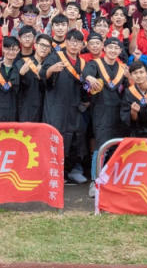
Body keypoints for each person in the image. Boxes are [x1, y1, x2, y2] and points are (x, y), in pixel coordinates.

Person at [42, 29, 88, 184]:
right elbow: (43, 76)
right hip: (56, 105)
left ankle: (69, 171)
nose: (74, 45)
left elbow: (84, 86)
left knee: (74, 137)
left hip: (74, 106)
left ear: (82, 45)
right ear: (66, 42)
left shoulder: (82, 62)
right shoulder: (55, 57)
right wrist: (50, 70)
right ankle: (52, 172)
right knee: (56, 136)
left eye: (78, 42)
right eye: (72, 41)